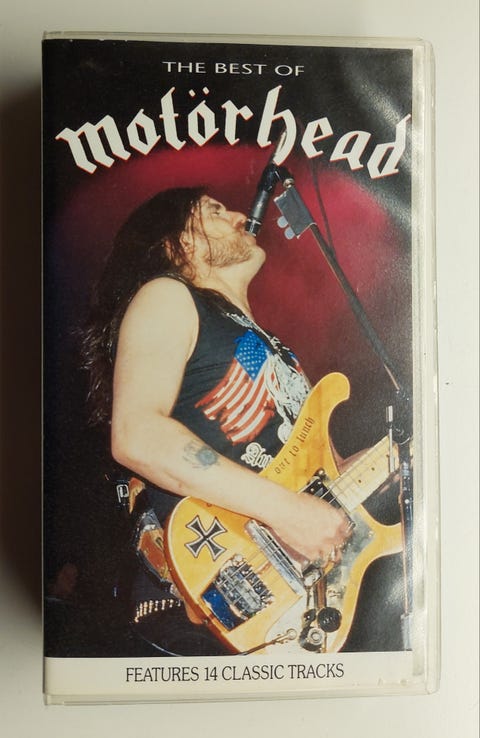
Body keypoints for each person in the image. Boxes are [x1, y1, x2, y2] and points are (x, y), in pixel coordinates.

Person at [81, 186, 354, 656]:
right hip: (208, 596)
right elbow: (137, 435)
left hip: (287, 600)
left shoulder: (274, 345)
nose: (238, 215)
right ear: (180, 244)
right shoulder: (168, 295)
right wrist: (286, 512)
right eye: (214, 211)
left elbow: (328, 478)